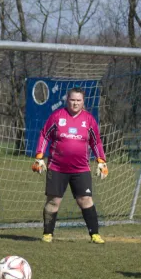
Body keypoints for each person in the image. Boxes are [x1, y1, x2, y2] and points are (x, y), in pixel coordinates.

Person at [31, 87, 108, 244]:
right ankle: (47, 234)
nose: (75, 103)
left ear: (83, 101)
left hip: (81, 169)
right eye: (72, 100)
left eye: (78, 100)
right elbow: (44, 135)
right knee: (54, 201)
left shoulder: (89, 119)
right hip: (57, 167)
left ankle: (95, 234)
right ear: (67, 100)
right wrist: (39, 157)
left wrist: (101, 160)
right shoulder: (57, 116)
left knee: (85, 199)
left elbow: (96, 141)